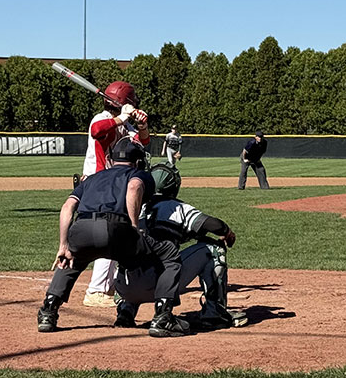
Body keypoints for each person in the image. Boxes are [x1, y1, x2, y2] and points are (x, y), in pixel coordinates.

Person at [37, 138, 184, 337]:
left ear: (110, 159)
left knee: (70, 258)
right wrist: (134, 226)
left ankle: (48, 311)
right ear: (138, 161)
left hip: (81, 228)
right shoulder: (139, 174)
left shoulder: (91, 178)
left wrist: (64, 245)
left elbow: (67, 206)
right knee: (169, 254)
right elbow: (134, 187)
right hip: (117, 229)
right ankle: (161, 314)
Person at [114, 163, 248, 330]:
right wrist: (228, 232)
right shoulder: (175, 207)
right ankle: (215, 313)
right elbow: (213, 225)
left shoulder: (132, 207)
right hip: (159, 286)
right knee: (214, 249)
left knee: (129, 252)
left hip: (125, 287)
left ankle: (125, 312)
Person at [79, 80, 151, 308]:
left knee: (116, 233)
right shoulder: (101, 118)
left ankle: (106, 287)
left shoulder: (125, 125)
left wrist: (142, 125)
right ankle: (96, 291)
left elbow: (143, 143)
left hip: (114, 184)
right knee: (110, 234)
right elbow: (97, 131)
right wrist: (123, 117)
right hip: (98, 183)